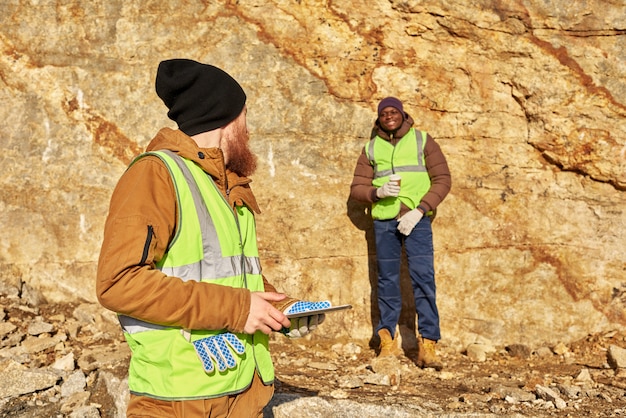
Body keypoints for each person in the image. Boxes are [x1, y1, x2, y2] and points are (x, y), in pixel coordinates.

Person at [96, 58, 328, 417]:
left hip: (240, 393)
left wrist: (279, 309)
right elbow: (119, 282)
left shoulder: (225, 185)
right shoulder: (156, 175)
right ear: (226, 117)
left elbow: (229, 274)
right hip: (179, 399)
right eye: (244, 117)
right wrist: (237, 309)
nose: (248, 129)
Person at [349, 97, 451, 370]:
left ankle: (428, 345)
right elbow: (357, 189)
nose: (389, 116)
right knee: (387, 283)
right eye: (384, 113)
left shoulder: (422, 140)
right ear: (379, 118)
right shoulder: (371, 148)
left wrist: (421, 210)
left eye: (394, 112)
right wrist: (376, 193)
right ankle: (387, 342)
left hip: (417, 220)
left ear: (403, 114)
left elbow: (443, 179)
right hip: (384, 223)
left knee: (424, 280)